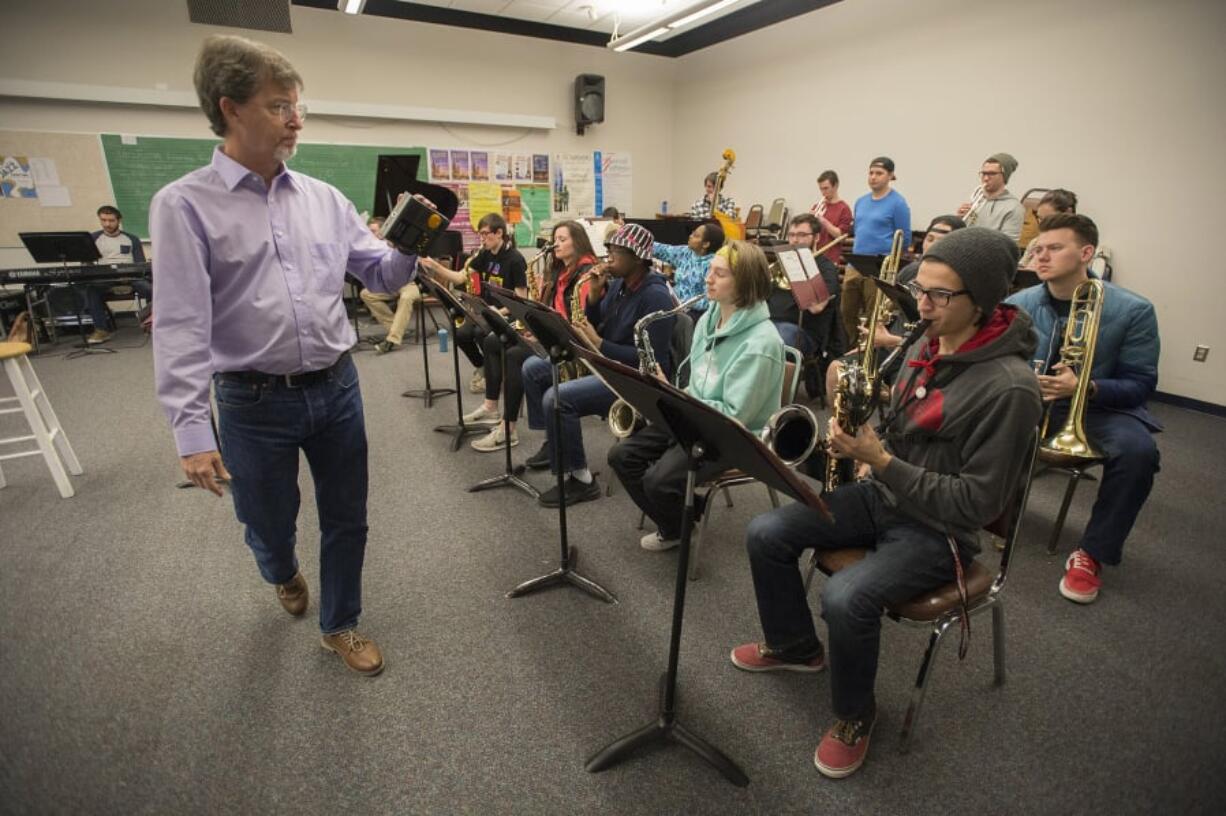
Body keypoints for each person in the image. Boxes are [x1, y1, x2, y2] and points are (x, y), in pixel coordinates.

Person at [151, 34, 422, 677]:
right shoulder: (184, 206)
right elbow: (182, 324)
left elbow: (380, 277)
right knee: (267, 523)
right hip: (251, 400)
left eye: (297, 105)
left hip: (337, 388)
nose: (296, 119)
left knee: (347, 518)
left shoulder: (324, 200)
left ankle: (341, 624)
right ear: (231, 109)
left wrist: (411, 241)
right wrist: (191, 429)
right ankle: (279, 569)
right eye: (279, 106)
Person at [732, 227, 1042, 779]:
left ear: (984, 301)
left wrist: (879, 459)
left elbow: (976, 503)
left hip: (939, 530)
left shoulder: (1010, 388)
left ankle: (856, 714)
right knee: (766, 532)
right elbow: (893, 417)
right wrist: (847, 406)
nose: (919, 304)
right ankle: (795, 645)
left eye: (938, 295)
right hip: (884, 494)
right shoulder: (926, 339)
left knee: (847, 597)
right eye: (919, 288)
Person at [1006, 213, 1161, 604]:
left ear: (1086, 253)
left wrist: (1086, 386)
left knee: (1139, 452)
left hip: (1098, 409)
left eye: (1054, 248)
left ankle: (1091, 553)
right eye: (1037, 249)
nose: (1041, 257)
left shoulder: (1134, 310)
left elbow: (1141, 385)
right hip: (1032, 401)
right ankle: (966, 510)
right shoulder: (1018, 302)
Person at [608, 240, 783, 551]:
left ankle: (677, 524)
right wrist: (670, 394)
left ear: (744, 282)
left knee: (657, 481)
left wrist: (678, 400)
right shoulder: (709, 317)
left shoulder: (762, 343)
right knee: (621, 456)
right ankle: (683, 517)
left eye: (720, 274)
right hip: (694, 414)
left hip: (731, 434)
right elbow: (701, 383)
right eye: (710, 271)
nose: (708, 279)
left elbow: (734, 416)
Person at [521, 223, 674, 507]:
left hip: (634, 380)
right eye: (609, 250)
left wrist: (600, 345)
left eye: (615, 251)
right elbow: (600, 322)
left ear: (637, 257)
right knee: (537, 369)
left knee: (557, 397)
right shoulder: (618, 285)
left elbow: (656, 362)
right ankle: (553, 444)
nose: (608, 257)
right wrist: (593, 296)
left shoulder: (656, 296)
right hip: (608, 365)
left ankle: (581, 480)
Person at [457, 219, 577, 453]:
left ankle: (508, 428)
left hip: (564, 344)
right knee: (492, 341)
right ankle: (492, 408)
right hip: (548, 335)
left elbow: (570, 319)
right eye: (555, 240)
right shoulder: (557, 270)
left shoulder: (581, 274)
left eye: (562, 240)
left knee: (512, 355)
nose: (555, 245)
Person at [824, 215, 966, 398]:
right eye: (930, 239)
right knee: (837, 371)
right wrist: (870, 342)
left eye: (943, 241)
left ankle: (875, 421)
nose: (934, 246)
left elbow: (941, 346)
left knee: (900, 394)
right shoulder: (911, 271)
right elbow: (887, 310)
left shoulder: (957, 287)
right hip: (889, 347)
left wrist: (891, 340)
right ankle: (844, 425)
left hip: (918, 356)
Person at [419, 213, 529, 392]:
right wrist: (435, 266)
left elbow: (521, 299)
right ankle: (484, 368)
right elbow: (460, 276)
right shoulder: (484, 254)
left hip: (505, 314)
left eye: (486, 234)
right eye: (481, 234)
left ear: (499, 233)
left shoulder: (515, 259)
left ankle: (495, 374)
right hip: (486, 311)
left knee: (480, 332)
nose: (483, 238)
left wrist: (499, 312)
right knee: (460, 334)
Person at [842, 157, 910, 345]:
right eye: (871, 173)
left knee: (874, 314)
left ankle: (869, 349)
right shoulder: (860, 201)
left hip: (879, 266)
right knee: (847, 310)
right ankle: (853, 347)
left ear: (890, 176)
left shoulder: (898, 203)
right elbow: (858, 232)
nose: (873, 177)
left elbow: (905, 240)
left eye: (879, 173)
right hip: (855, 264)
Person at [768, 213, 840, 360]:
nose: (794, 240)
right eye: (791, 235)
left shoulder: (826, 268)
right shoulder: (781, 264)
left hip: (802, 331)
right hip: (770, 322)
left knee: (777, 339)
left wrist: (800, 274)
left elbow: (817, 307)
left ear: (817, 237)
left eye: (801, 235)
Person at [82, 205, 149, 345]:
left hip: (130, 279)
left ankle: (156, 322)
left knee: (151, 288)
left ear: (119, 220)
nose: (107, 224)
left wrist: (128, 274)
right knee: (92, 290)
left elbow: (140, 263)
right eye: (103, 220)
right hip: (105, 280)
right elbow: (87, 264)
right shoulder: (93, 238)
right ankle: (101, 330)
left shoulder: (132, 239)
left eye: (111, 220)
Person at [356, 216, 424, 354]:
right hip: (391, 285)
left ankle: (392, 339)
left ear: (383, 231)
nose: (370, 234)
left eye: (373, 231)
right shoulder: (372, 248)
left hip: (411, 284)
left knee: (405, 298)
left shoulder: (397, 242)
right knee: (366, 294)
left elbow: (415, 263)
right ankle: (397, 328)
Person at [652, 222, 724, 317]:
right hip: (675, 305)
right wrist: (634, 238)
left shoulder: (713, 264)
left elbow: (709, 302)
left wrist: (683, 303)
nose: (690, 236)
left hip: (695, 313)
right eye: (692, 233)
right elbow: (662, 250)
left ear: (706, 244)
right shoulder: (686, 253)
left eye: (695, 235)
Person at [958, 152, 1026, 241]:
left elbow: (1008, 244)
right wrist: (960, 220)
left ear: (1004, 176)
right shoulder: (977, 198)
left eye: (992, 174)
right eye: (983, 173)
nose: (986, 178)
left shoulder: (1014, 208)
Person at [1019, 189, 1077, 269]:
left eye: (1049, 219)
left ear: (1068, 214)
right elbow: (1021, 269)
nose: (1042, 225)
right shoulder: (1035, 242)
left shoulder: (1076, 246)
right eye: (1039, 218)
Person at [810, 170, 853, 266]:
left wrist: (822, 219)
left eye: (826, 188)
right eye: (821, 189)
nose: (823, 192)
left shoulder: (844, 208)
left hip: (830, 258)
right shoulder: (817, 206)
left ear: (836, 186)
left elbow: (840, 236)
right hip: (814, 256)